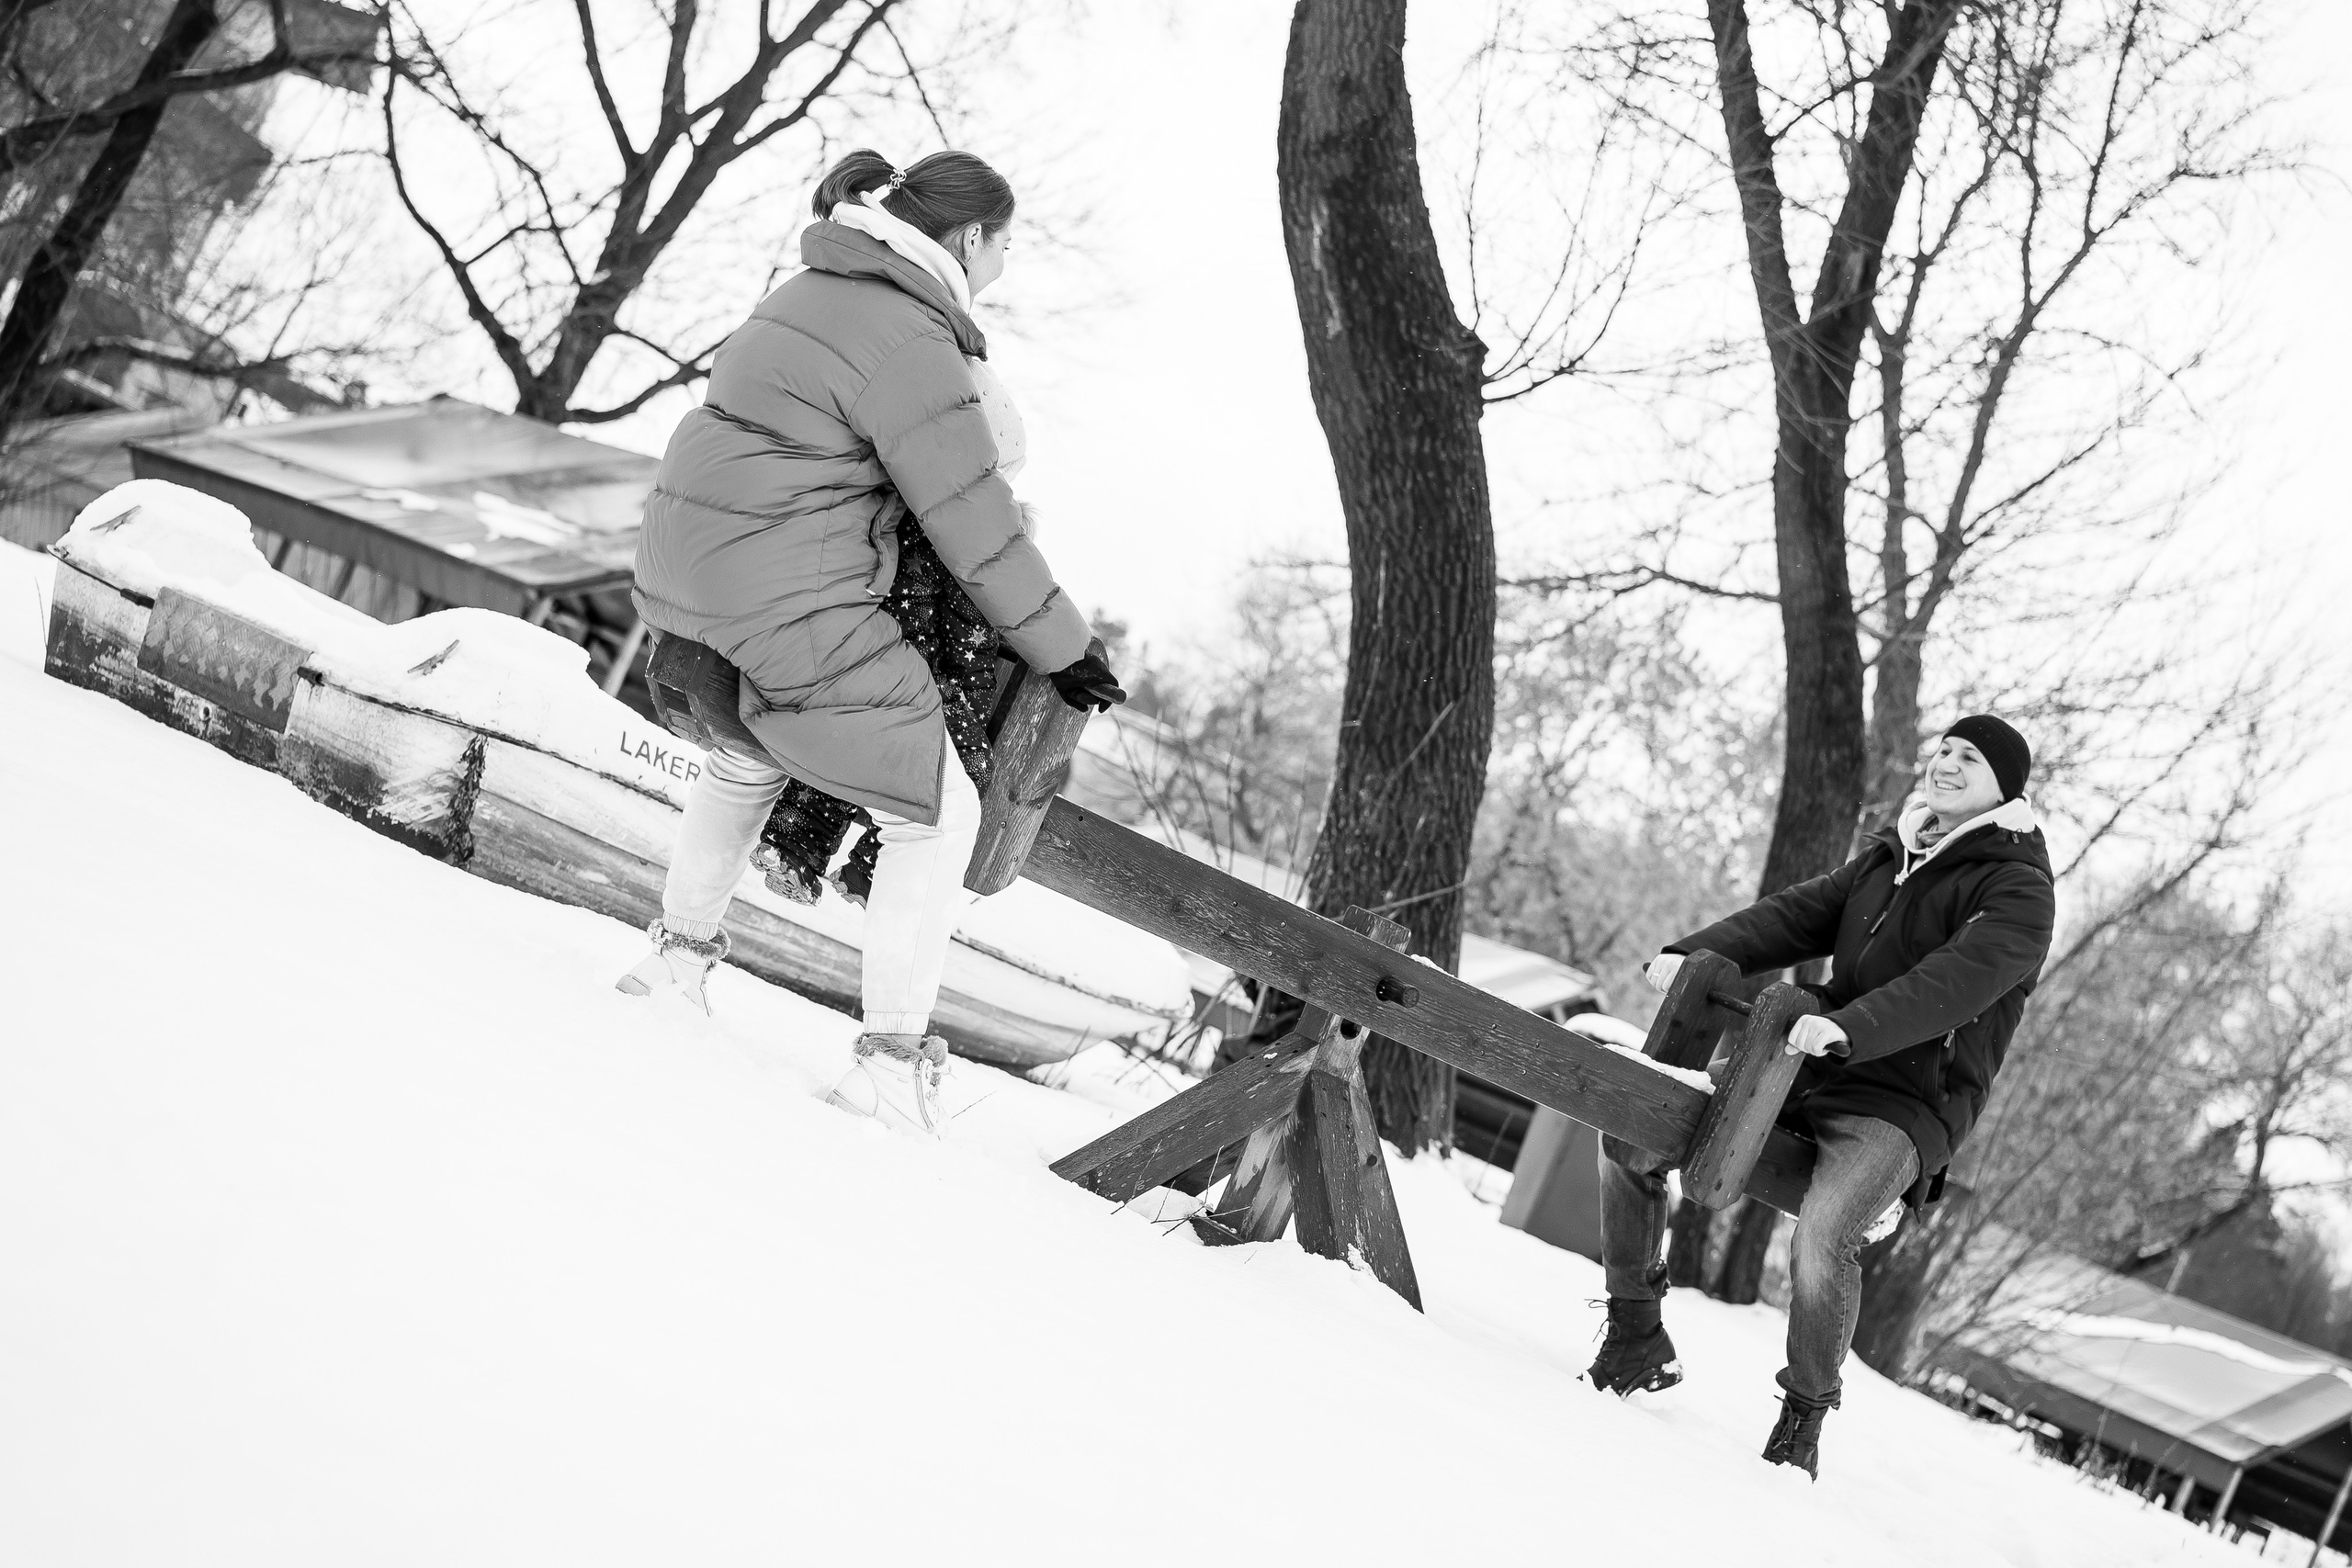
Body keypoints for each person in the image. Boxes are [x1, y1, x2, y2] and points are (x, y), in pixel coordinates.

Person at [614, 147, 1125, 1135]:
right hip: (783, 586)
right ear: (969, 238)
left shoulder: (807, 287)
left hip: (688, 563)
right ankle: (890, 1067)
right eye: (1005, 245)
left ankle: (674, 963)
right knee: (940, 807)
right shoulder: (913, 339)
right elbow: (973, 516)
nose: (1005, 264)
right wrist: (1065, 649)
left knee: (747, 753)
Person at [1585, 715, 2055, 1480]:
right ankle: (1636, 1334)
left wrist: (1850, 1027)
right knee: (1633, 1127)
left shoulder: (2018, 889)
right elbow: (1797, 913)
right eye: (1943, 749)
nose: (1946, 762)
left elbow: (1953, 984)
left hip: (1905, 1099)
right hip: (1811, 1061)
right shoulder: (1893, 853)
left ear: (2005, 788)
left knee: (1824, 1231)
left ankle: (1802, 1418)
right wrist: (1697, 951)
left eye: (1969, 757)